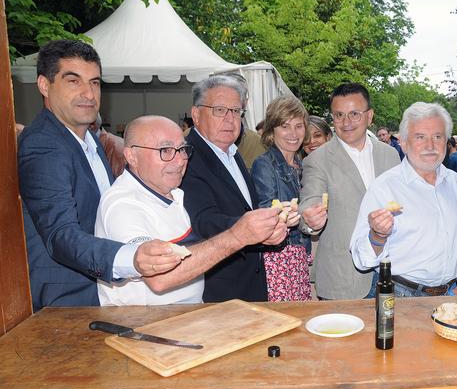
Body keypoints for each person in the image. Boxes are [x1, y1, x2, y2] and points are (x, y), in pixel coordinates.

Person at [17, 39, 181, 311]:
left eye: (94, 82)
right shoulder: (43, 144)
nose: (89, 94)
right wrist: (132, 258)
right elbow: (61, 234)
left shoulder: (90, 141)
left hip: (103, 295)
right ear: (44, 85)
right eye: (73, 81)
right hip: (69, 303)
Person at [96, 116, 285, 305]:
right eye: (166, 150)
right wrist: (238, 236)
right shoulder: (122, 204)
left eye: (182, 150)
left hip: (185, 319)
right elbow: (158, 277)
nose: (180, 161)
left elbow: (203, 242)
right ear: (132, 156)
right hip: (145, 327)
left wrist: (257, 234)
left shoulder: (174, 194)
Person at [350, 102, 457, 297]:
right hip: (400, 296)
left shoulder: (455, 182)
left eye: (438, 137)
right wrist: (377, 235)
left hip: (450, 295)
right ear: (404, 143)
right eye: (420, 137)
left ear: (447, 142)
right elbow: (361, 259)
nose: (430, 146)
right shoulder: (384, 187)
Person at [181, 74, 284, 302]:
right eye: (219, 110)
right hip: (218, 290)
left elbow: (243, 207)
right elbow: (202, 221)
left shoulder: (230, 152)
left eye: (236, 111)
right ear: (196, 115)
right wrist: (252, 229)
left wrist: (271, 224)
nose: (230, 119)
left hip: (249, 284)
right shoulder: (186, 157)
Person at [299, 83, 400, 300]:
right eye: (339, 115)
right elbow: (310, 202)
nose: (346, 122)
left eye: (354, 114)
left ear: (369, 116)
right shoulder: (317, 160)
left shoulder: (391, 156)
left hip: (392, 274)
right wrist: (310, 221)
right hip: (343, 278)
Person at [251, 97, 312, 301]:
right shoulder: (264, 165)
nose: (293, 134)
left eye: (298, 126)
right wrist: (286, 217)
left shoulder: (300, 164)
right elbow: (265, 214)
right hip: (278, 259)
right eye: (285, 126)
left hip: (298, 255)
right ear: (272, 129)